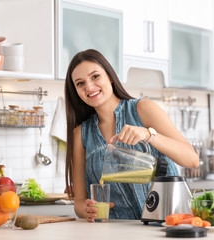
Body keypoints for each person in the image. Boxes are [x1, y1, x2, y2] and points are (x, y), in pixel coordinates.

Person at [64, 49, 199, 222]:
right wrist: (86, 209)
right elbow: (79, 202)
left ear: (110, 77)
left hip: (169, 227)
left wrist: (149, 135)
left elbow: (192, 159)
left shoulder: (143, 110)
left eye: (95, 76)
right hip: (117, 232)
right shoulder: (81, 134)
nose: (89, 87)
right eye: (80, 83)